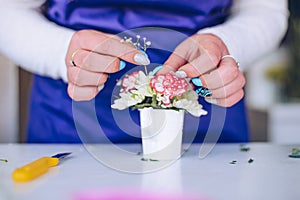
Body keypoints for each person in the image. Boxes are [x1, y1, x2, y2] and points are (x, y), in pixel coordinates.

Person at [0, 0, 288, 143]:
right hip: (69, 125)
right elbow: (9, 12)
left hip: (207, 119)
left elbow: (264, 9)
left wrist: (226, 45)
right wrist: (62, 52)